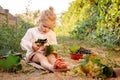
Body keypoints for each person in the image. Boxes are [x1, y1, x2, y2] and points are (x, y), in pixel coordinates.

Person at [20, 6, 68, 72]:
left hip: (47, 53)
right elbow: (23, 42)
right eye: (44, 26)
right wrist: (32, 45)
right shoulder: (31, 31)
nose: (46, 29)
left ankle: (57, 64)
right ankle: (50, 67)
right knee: (41, 57)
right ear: (39, 21)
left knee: (51, 57)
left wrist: (48, 47)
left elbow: (54, 45)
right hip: (34, 54)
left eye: (49, 27)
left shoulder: (52, 34)